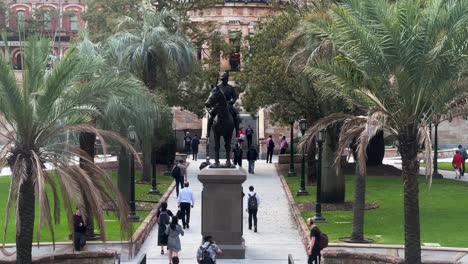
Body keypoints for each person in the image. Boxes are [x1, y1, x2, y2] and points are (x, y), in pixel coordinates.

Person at [206, 71, 240, 138]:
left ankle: (237, 132)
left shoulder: (231, 88)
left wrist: (231, 102)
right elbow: (214, 96)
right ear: (222, 79)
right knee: (211, 116)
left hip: (228, 105)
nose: (225, 80)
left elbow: (234, 97)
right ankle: (208, 132)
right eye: (224, 79)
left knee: (236, 115)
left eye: (226, 79)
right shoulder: (218, 87)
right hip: (219, 105)